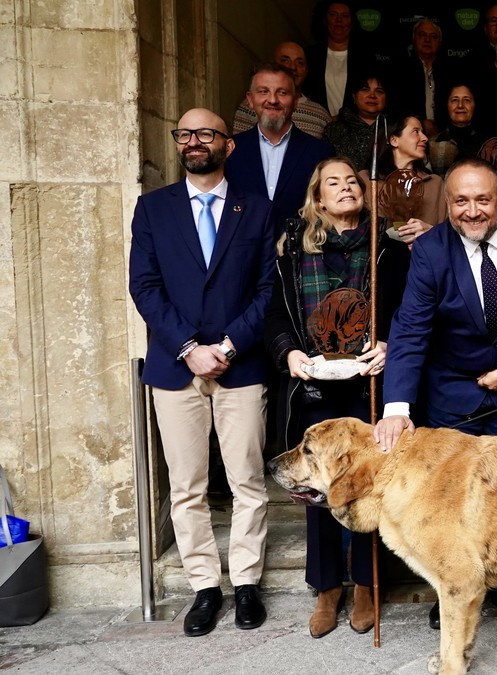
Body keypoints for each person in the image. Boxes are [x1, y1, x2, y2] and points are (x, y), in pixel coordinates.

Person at [375, 157, 497, 629]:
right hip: (451, 392)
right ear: (448, 202)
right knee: (452, 498)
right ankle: (453, 590)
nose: (472, 211)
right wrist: (396, 407)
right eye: (461, 201)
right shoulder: (431, 251)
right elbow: (411, 329)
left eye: (483, 199)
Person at [128, 108, 275, 637]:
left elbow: (267, 290)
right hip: (175, 366)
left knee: (248, 482)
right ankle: (205, 588)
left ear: (227, 145)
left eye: (206, 133)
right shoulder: (152, 209)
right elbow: (144, 287)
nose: (194, 141)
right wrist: (190, 347)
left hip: (241, 363)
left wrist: (230, 344)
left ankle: (248, 584)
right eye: (185, 134)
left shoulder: (256, 210)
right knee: (187, 486)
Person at [262, 157, 409, 639]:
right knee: (316, 485)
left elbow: (411, 309)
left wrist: (390, 343)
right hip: (315, 384)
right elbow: (276, 313)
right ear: (318, 197)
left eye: (352, 181)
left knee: (369, 482)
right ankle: (327, 586)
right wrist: (289, 354)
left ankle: (367, 583)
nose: (346, 188)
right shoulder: (293, 250)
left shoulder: (387, 246)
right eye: (333, 183)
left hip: (369, 383)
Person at [224, 62, 334, 237]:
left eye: (282, 92)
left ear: (296, 100)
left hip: (300, 255)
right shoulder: (230, 150)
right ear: (250, 100)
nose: (273, 100)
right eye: (263, 91)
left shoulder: (320, 152)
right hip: (244, 257)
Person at [232, 41, 332, 138]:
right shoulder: (251, 106)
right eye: (285, 60)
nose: (293, 67)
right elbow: (239, 148)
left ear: (306, 70)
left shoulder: (321, 114)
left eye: (300, 63)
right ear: (273, 64)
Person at [378, 115, 447, 245]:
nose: (425, 138)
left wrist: (431, 231)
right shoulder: (368, 182)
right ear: (394, 140)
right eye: (416, 132)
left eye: (423, 133)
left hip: (427, 260)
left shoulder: (435, 184)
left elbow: (451, 233)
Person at [322, 73, 387, 175]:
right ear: (354, 96)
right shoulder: (334, 130)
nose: (372, 95)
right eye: (365, 89)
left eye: (379, 91)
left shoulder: (396, 130)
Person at [395, 20, 450, 138]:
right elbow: (397, 107)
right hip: (410, 134)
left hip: (445, 135)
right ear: (413, 39)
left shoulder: (450, 71)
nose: (427, 40)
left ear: (439, 42)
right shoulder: (400, 70)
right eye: (422, 35)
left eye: (433, 36)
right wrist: (421, 121)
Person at [429, 82, 484, 174]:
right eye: (454, 100)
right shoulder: (432, 143)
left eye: (467, 100)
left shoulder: (487, 143)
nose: (460, 106)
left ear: (475, 105)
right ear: (447, 105)